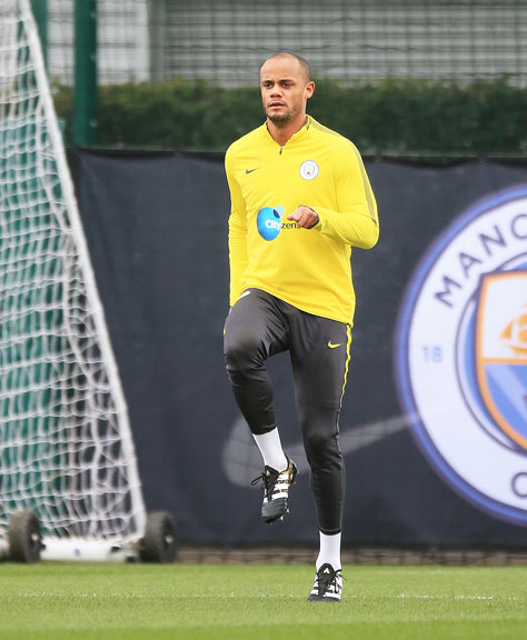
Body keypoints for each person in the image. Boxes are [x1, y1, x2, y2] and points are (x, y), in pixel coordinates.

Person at [223, 52, 380, 603]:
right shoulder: (240, 153)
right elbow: (239, 226)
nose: (275, 92)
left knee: (320, 438)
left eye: (286, 84)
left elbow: (367, 230)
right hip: (264, 293)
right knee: (239, 344)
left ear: (308, 90)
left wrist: (323, 218)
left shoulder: (338, 152)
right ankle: (273, 464)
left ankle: (329, 564)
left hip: (325, 307)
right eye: (267, 84)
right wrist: (238, 291)